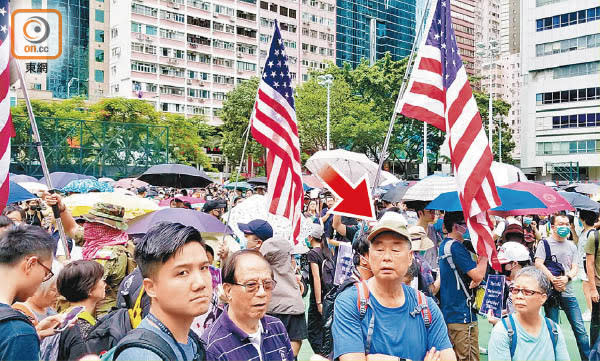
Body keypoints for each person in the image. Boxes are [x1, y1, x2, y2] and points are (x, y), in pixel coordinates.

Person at [332, 212, 455, 361]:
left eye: (396, 250)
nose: (387, 257)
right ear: (369, 255)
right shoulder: (350, 302)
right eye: (379, 249)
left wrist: (373, 358)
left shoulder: (427, 307)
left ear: (410, 257)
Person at [115, 222, 211, 361]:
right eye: (183, 272)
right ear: (151, 287)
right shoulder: (142, 356)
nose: (200, 283)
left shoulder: (190, 340)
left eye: (204, 268)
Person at [44, 195, 133, 318]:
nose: (87, 225)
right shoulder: (102, 239)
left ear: (104, 228)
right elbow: (72, 228)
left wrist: (70, 267)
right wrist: (62, 209)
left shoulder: (109, 253)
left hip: (101, 315)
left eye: (92, 222)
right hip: (90, 309)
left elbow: (85, 282)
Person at [202, 250, 295, 361]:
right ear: (228, 290)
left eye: (267, 284)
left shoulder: (276, 326)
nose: (262, 293)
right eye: (251, 285)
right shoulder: (213, 348)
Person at [238, 219, 307, 358]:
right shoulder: (292, 297)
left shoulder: (259, 291)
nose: (245, 241)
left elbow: (294, 347)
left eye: (247, 237)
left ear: (259, 243)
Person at [0, 225, 65, 361]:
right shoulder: (17, 332)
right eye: (46, 273)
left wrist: (35, 335)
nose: (43, 280)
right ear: (31, 264)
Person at [535, 214, 590, 360]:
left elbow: (575, 266)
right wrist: (553, 279)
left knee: (580, 331)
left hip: (568, 292)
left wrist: (567, 278)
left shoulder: (572, 246)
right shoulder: (544, 243)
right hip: (550, 293)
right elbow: (538, 263)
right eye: (561, 224)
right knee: (552, 331)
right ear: (552, 227)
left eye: (567, 224)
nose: (564, 227)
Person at [488, 267, 569, 361]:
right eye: (515, 290)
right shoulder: (502, 331)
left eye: (527, 292)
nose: (519, 296)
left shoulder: (554, 330)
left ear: (543, 298)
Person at [438, 211, 488, 361]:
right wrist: (485, 255)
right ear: (455, 226)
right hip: (461, 313)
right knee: (466, 356)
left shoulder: (444, 245)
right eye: (465, 224)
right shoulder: (456, 247)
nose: (467, 228)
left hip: (454, 310)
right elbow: (478, 275)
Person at [55, 260, 106, 361]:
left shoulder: (64, 316)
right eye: (101, 279)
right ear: (89, 289)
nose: (104, 283)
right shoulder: (82, 327)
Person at [306, 223, 331, 356]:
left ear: (310, 237)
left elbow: (316, 278)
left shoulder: (312, 254)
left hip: (318, 297)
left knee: (313, 331)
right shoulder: (326, 252)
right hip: (328, 295)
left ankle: (322, 355)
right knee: (324, 329)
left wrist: (318, 302)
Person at [580, 210, 599, 323]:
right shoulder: (586, 232)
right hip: (584, 264)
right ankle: (590, 310)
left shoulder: (591, 233)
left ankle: (591, 311)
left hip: (586, 264)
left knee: (587, 288)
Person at [585, 211, 600, 346]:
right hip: (598, 286)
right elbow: (589, 263)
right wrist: (593, 289)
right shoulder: (594, 237)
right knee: (596, 323)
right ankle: (595, 353)